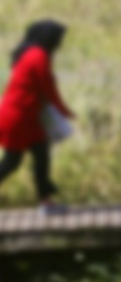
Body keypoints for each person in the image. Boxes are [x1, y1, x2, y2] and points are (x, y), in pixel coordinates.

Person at [0, 19, 75, 214]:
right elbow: (48, 88)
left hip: (24, 116)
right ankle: (45, 202)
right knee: (12, 162)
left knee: (41, 157)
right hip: (19, 117)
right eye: (58, 39)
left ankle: (46, 202)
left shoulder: (29, 53)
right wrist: (64, 111)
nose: (60, 44)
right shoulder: (39, 56)